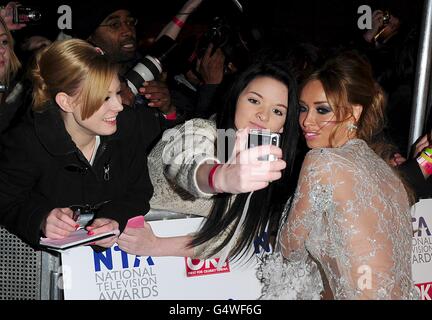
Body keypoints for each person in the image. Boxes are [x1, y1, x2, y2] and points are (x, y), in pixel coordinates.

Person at [258, 51, 417, 300]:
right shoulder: (387, 173)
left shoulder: (323, 161)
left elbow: (290, 249)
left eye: (322, 110)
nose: (306, 121)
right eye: (302, 108)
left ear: (353, 113)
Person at [117, 60, 300, 260]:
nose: (263, 116)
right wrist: (218, 177)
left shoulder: (264, 167)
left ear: (283, 125)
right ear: (235, 99)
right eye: (254, 100)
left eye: (277, 111)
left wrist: (157, 246)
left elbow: (231, 238)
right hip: (119, 252)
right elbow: (188, 161)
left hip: (160, 261)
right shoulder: (201, 131)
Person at [0, 39, 154, 248]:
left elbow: (139, 190)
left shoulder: (127, 124)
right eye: (104, 98)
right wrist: (41, 217)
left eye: (117, 93)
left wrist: (114, 217)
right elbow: (6, 201)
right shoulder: (27, 141)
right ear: (66, 101)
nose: (118, 106)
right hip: (45, 266)